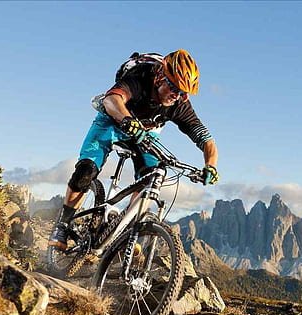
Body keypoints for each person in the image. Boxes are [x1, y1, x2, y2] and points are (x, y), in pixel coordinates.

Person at [49, 49, 219, 249]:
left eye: (183, 93)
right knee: (86, 170)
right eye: (174, 88)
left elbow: (206, 140)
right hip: (113, 119)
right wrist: (127, 120)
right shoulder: (140, 78)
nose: (177, 96)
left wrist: (210, 165)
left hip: (147, 132)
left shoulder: (180, 104)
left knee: (152, 176)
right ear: (160, 77)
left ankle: (126, 232)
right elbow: (111, 100)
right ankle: (62, 224)